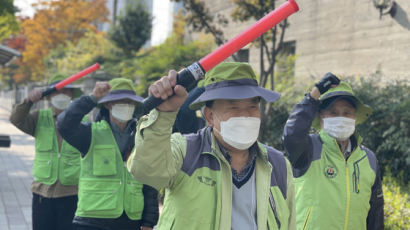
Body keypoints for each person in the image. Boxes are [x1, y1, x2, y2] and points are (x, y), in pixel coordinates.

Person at [128, 62, 296, 230]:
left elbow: (290, 223)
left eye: (252, 107)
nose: (245, 115)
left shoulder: (278, 164)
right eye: (234, 107)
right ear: (209, 116)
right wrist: (163, 115)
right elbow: (147, 172)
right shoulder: (186, 150)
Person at [282, 73, 384, 230]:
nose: (341, 118)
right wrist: (313, 95)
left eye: (347, 112)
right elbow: (291, 135)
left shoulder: (368, 159)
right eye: (333, 113)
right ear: (321, 117)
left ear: (354, 117)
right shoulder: (308, 149)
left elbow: (375, 214)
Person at [56, 78, 159, 230]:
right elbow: (64, 124)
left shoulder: (141, 137)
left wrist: (148, 222)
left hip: (130, 220)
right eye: (120, 101)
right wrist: (91, 99)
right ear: (108, 104)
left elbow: (149, 181)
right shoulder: (90, 134)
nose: (126, 106)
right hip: (92, 220)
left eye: (129, 102)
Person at [9, 73, 84, 230]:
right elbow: (16, 119)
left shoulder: (82, 122)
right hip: (42, 193)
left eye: (66, 91)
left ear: (71, 95)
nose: (62, 95)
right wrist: (29, 101)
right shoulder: (39, 118)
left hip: (72, 193)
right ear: (49, 97)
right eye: (57, 91)